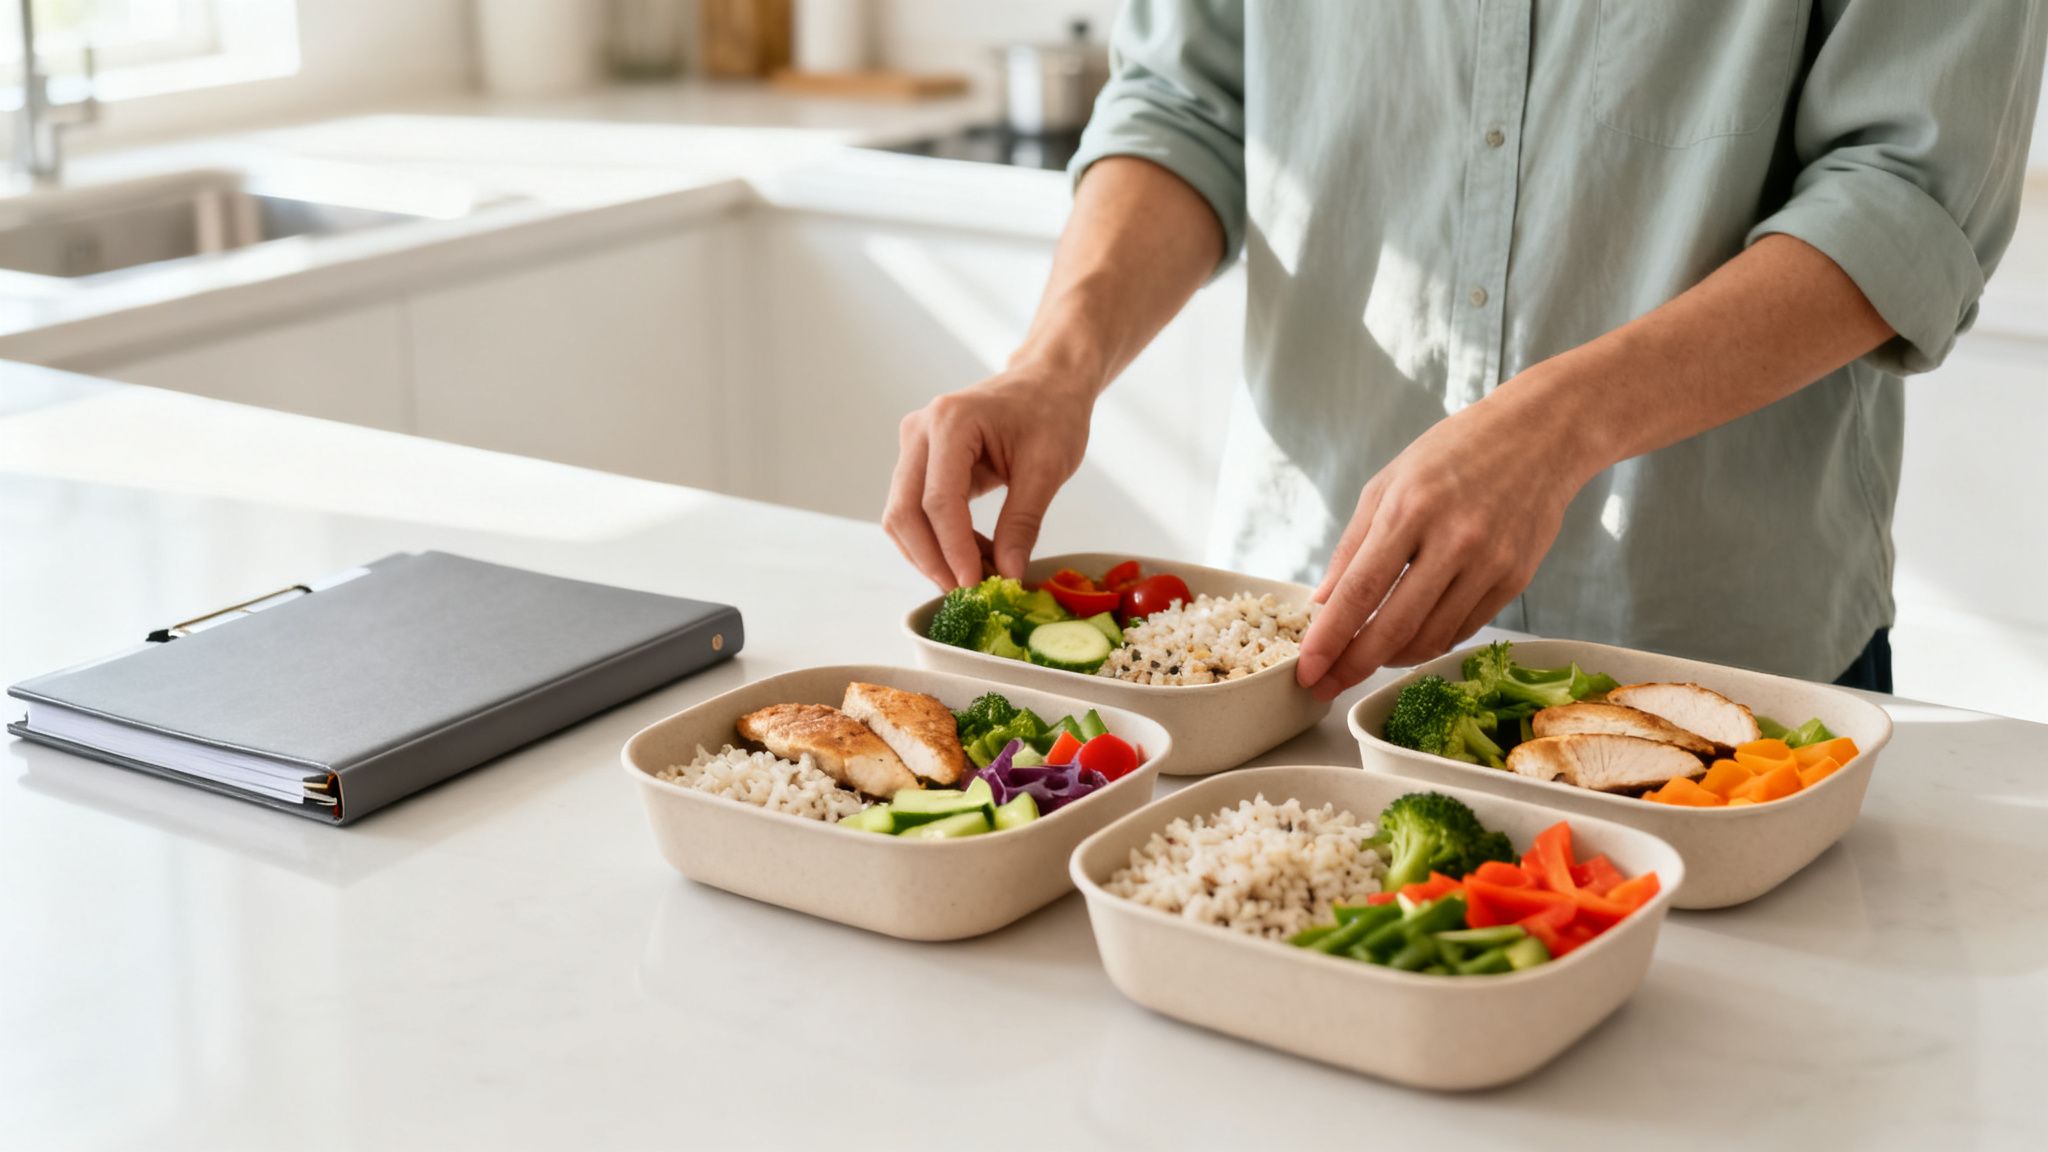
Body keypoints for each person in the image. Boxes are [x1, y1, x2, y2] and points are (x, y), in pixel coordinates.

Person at [884, 1, 2046, 700]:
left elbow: (1903, 195)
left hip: (1713, 658)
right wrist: (1054, 364)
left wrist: (1555, 429)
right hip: (1299, 637)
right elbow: (1189, 103)